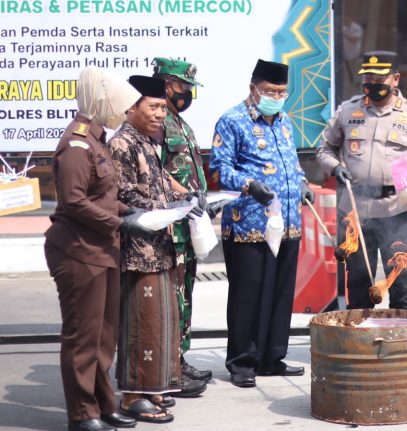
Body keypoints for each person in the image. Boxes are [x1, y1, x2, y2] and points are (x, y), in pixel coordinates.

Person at [45, 66, 142, 431]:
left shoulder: (98, 139)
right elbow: (73, 202)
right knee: (82, 337)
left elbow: (101, 196)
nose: (122, 113)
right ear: (101, 101)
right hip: (78, 251)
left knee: (105, 336)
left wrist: (129, 210)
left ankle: (104, 405)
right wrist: (120, 222)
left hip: (103, 250)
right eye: (118, 106)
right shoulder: (77, 144)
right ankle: (82, 414)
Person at [209, 59, 314, 388]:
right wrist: (249, 185)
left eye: (282, 92)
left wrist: (304, 184)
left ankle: (272, 357)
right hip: (247, 224)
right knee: (248, 295)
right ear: (253, 88)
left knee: (282, 293)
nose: (276, 97)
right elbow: (219, 169)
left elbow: (292, 164)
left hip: (288, 223)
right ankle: (242, 361)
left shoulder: (285, 122)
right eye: (270, 91)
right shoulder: (232, 121)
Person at [109, 75, 205, 423]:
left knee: (160, 323)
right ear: (131, 108)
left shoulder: (147, 141)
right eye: (153, 107)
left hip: (160, 247)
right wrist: (163, 208)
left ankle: (151, 389)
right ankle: (132, 397)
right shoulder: (122, 143)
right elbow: (123, 194)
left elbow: (164, 180)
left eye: (163, 108)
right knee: (140, 325)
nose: (160, 114)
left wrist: (187, 196)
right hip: (138, 252)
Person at [316, 51, 407, 310]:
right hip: (355, 208)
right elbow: (324, 149)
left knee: (400, 275)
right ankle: (361, 337)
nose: (373, 84)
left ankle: (404, 335)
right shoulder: (348, 111)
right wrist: (335, 167)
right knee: (359, 278)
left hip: (396, 208)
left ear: (395, 79)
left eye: (379, 78)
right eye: (368, 77)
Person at [151, 57, 215, 390]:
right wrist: (185, 196)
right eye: (183, 86)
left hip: (188, 225)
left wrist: (204, 200)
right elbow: (154, 172)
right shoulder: (158, 122)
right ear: (165, 84)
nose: (188, 92)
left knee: (185, 295)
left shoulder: (180, 123)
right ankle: (170, 367)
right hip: (168, 229)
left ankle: (180, 358)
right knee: (172, 298)